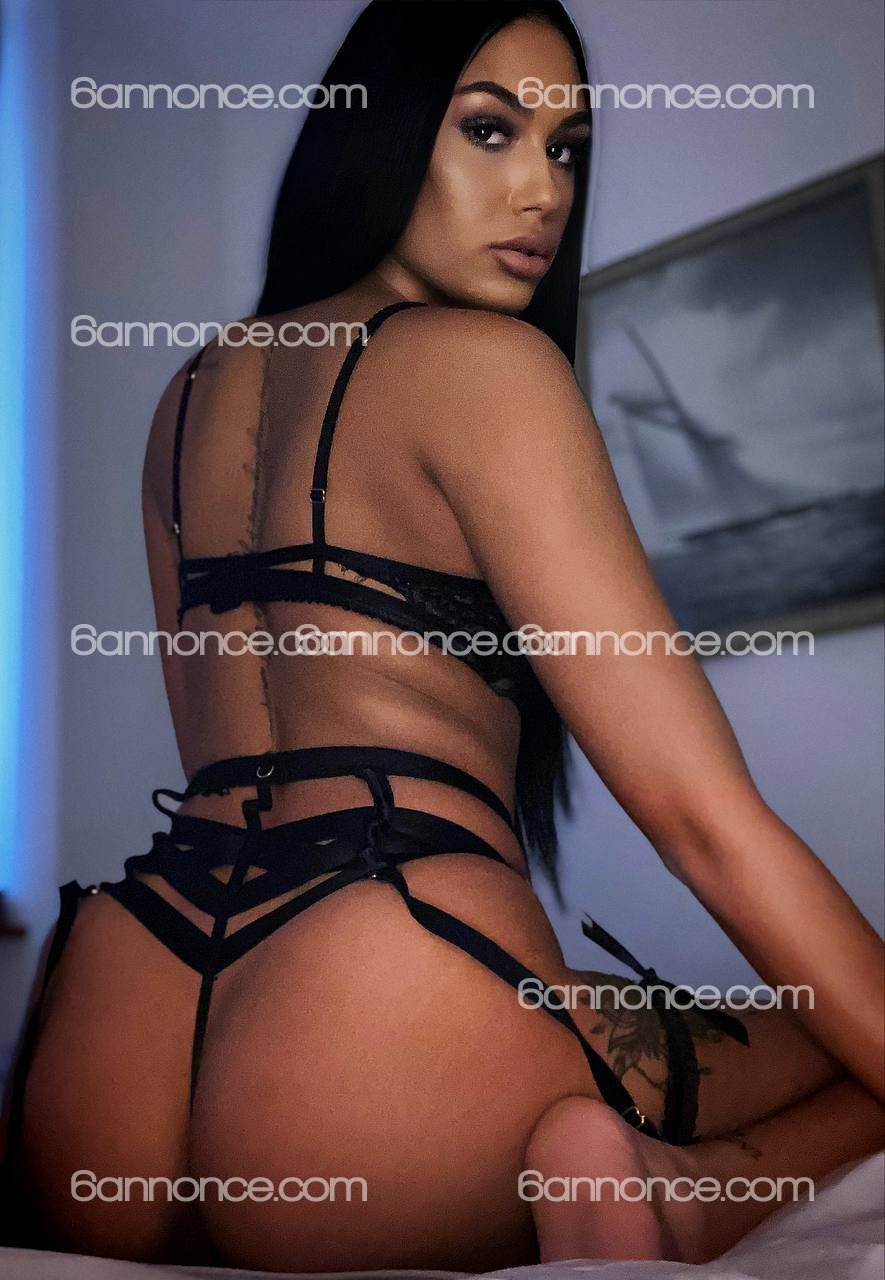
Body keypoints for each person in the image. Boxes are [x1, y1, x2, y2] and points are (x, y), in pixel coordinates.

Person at [1, 1, 882, 1270]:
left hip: (115, 1022)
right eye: (489, 130)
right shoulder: (488, 367)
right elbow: (703, 822)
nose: (544, 191)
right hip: (372, 1005)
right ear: (383, 132)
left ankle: (666, 1185)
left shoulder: (182, 398)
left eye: (566, 148)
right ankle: (675, 1194)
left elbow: (223, 754)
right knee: (859, 1032)